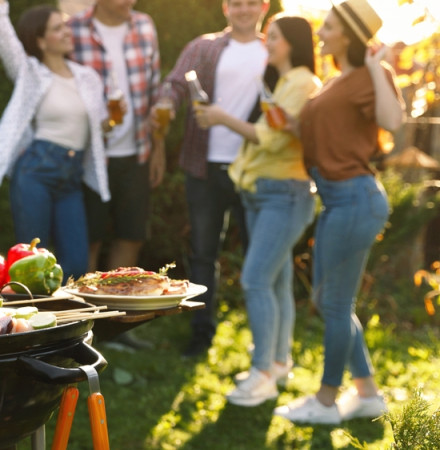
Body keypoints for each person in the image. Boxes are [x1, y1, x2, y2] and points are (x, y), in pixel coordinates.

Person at [273, 0, 404, 424]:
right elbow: (326, 130)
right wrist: (289, 124)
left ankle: (327, 401)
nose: (320, 32)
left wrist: (380, 67)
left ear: (347, 34)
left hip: (355, 198)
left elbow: (393, 121)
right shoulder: (337, 80)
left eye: (327, 26)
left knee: (333, 303)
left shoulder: (371, 75)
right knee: (331, 301)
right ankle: (366, 393)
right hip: (337, 198)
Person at [194, 14, 321, 406]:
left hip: (283, 195)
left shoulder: (302, 82)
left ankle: (262, 374)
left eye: (276, 37)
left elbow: (268, 138)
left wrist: (219, 117)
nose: (269, 42)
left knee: (255, 280)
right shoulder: (282, 81)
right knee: (277, 281)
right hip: (263, 194)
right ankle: (279, 362)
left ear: (294, 43)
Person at [161, 0, 270, 357]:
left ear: (264, 7)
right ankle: (200, 334)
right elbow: (175, 84)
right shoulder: (203, 47)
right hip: (204, 167)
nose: (244, 9)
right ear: (226, 8)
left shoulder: (273, 49)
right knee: (204, 255)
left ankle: (263, 341)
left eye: (251, 3)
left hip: (253, 168)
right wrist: (165, 105)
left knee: (259, 257)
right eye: (236, 3)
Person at [0, 0, 111, 280]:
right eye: (57, 28)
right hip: (35, 172)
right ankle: (30, 322)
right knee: (30, 263)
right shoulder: (29, 72)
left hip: (71, 178)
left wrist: (113, 118)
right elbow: (2, 32)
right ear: (40, 41)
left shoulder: (87, 77)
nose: (67, 31)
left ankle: (69, 322)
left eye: (65, 25)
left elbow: (99, 127)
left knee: (77, 264)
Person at [67, 0, 165, 273]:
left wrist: (158, 148)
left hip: (137, 152)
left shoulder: (145, 25)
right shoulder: (73, 29)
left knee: (131, 236)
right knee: (89, 241)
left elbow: (154, 91)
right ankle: (87, 313)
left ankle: (114, 313)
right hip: (89, 157)